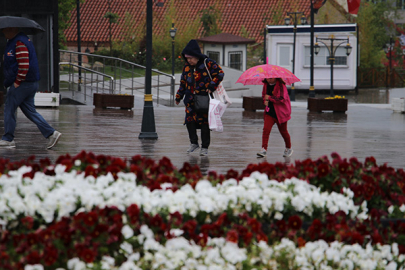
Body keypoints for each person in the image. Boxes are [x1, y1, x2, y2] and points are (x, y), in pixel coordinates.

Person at [0, 27, 61, 149]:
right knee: (30, 111)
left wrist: (17, 81)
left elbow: (24, 64)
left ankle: (8, 138)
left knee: (9, 108)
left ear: (13, 30)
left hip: (23, 83)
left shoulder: (19, 42)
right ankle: (51, 133)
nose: (3, 33)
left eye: (5, 30)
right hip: (29, 83)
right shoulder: (17, 41)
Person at [175, 40, 224, 156]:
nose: (189, 60)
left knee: (204, 123)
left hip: (204, 99)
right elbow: (183, 82)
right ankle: (194, 143)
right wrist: (179, 96)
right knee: (189, 121)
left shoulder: (208, 63)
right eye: (187, 58)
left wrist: (212, 86)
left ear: (197, 56)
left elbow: (220, 73)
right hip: (190, 100)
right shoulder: (186, 67)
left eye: (191, 58)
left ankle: (205, 147)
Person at [257, 77, 293, 158]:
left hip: (280, 113)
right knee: (266, 130)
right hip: (269, 112)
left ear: (276, 77)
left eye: (271, 78)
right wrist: (264, 101)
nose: (269, 80)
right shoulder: (265, 85)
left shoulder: (281, 86)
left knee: (283, 131)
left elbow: (282, 99)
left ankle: (288, 148)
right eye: (267, 78)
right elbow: (264, 95)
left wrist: (269, 98)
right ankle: (264, 149)